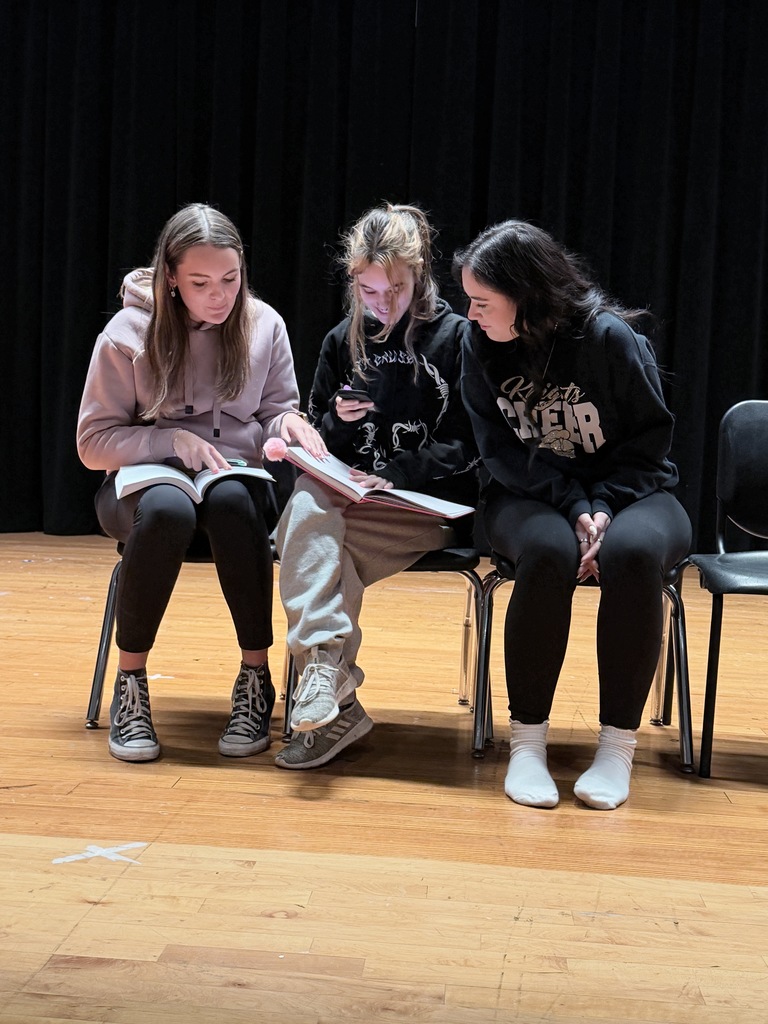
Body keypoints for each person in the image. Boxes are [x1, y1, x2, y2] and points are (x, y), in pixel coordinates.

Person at [454, 219, 691, 810]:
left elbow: (650, 444)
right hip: (530, 493)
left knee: (632, 552)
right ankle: (527, 746)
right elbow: (499, 452)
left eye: (483, 301)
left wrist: (604, 505)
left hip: (635, 491)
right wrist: (574, 505)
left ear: (525, 294)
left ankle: (616, 749)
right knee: (549, 550)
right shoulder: (476, 343)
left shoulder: (608, 339)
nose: (472, 313)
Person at [77, 203, 326, 763]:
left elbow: (273, 411)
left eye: (231, 279)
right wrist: (171, 441)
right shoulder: (126, 333)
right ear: (170, 277)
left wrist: (287, 422)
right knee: (168, 510)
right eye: (200, 282)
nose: (220, 295)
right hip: (144, 487)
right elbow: (93, 443)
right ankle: (131, 684)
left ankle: (256, 680)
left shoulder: (265, 324)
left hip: (230, 478)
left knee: (235, 501)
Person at [274, 202, 479, 770]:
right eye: (369, 290)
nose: (382, 303)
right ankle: (327, 685)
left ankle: (328, 687)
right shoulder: (342, 340)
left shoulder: (458, 338)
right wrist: (336, 423)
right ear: (352, 281)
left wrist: (397, 473)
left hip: (427, 509)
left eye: (396, 288)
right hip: (352, 504)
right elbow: (316, 442)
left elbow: (471, 445)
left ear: (420, 275)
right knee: (314, 505)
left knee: (312, 538)